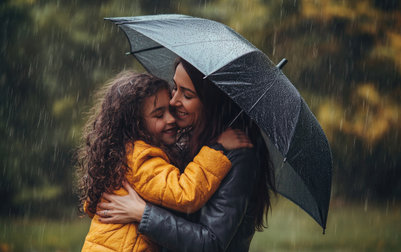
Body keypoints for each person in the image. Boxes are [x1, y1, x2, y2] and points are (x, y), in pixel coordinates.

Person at [97, 59, 276, 251]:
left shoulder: (238, 156)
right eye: (175, 87)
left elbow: (211, 244)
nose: (174, 101)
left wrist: (143, 214)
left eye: (187, 95)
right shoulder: (185, 143)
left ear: (211, 102)